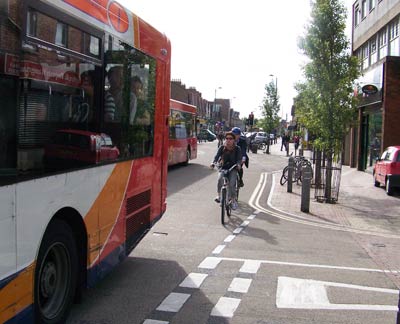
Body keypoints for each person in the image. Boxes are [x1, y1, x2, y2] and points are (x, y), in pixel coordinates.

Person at [210, 131, 242, 210]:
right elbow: (216, 157)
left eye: (230, 139)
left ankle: (233, 200)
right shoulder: (222, 147)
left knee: (232, 184)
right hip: (223, 167)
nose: (228, 140)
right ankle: (219, 195)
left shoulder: (237, 148)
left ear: (234, 140)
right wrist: (213, 163)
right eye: (227, 138)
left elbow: (239, 159)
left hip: (233, 168)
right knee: (220, 179)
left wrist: (238, 164)